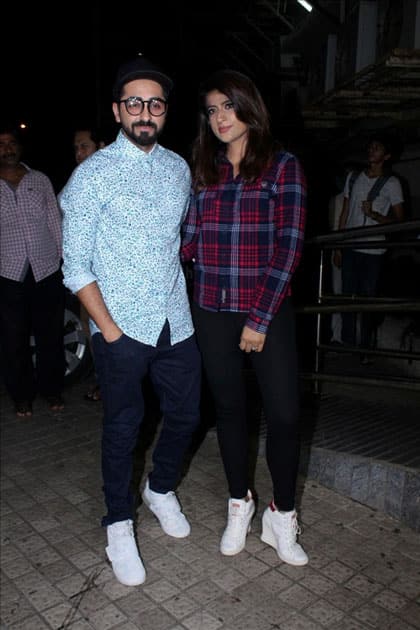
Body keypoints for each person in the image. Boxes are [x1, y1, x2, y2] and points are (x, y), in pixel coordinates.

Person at [60, 54, 202, 587]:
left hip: (176, 322)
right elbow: (74, 267)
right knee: (123, 429)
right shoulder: (90, 176)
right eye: (135, 102)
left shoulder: (178, 169)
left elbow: (176, 243)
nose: (146, 111)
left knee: (187, 415)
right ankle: (118, 522)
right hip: (119, 326)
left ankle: (160, 488)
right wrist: (108, 331)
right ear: (119, 110)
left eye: (156, 103)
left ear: (165, 111)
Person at [182, 69, 308, 566]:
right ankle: (240, 503)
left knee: (284, 415)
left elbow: (290, 245)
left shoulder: (282, 167)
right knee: (230, 412)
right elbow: (189, 240)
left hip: (267, 311)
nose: (220, 118)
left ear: (249, 107)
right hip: (211, 308)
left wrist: (257, 319)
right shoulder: (204, 171)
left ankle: (282, 517)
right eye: (212, 110)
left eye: (228, 107)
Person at [0, 124, 65, 417]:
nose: (7, 149)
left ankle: (52, 390)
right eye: (1, 145)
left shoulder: (39, 180)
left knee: (49, 334)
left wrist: (65, 259)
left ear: (20, 146)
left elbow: (54, 220)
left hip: (45, 268)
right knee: (13, 338)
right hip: (7, 272)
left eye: (11, 143)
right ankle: (21, 395)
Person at [334, 133, 404, 359]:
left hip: (374, 251)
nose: (372, 150)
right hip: (351, 248)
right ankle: (348, 343)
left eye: (378, 147)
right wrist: (337, 245)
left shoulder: (392, 184)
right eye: (371, 146)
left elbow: (400, 221)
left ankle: (364, 347)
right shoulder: (353, 178)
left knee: (367, 300)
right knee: (346, 298)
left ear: (387, 155)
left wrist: (374, 214)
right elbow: (344, 212)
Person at [71, 125, 106, 402]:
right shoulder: (78, 179)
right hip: (86, 276)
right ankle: (103, 382)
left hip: (115, 276)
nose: (79, 153)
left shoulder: (111, 177)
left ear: (101, 146)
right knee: (93, 331)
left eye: (85, 146)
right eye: (76, 148)